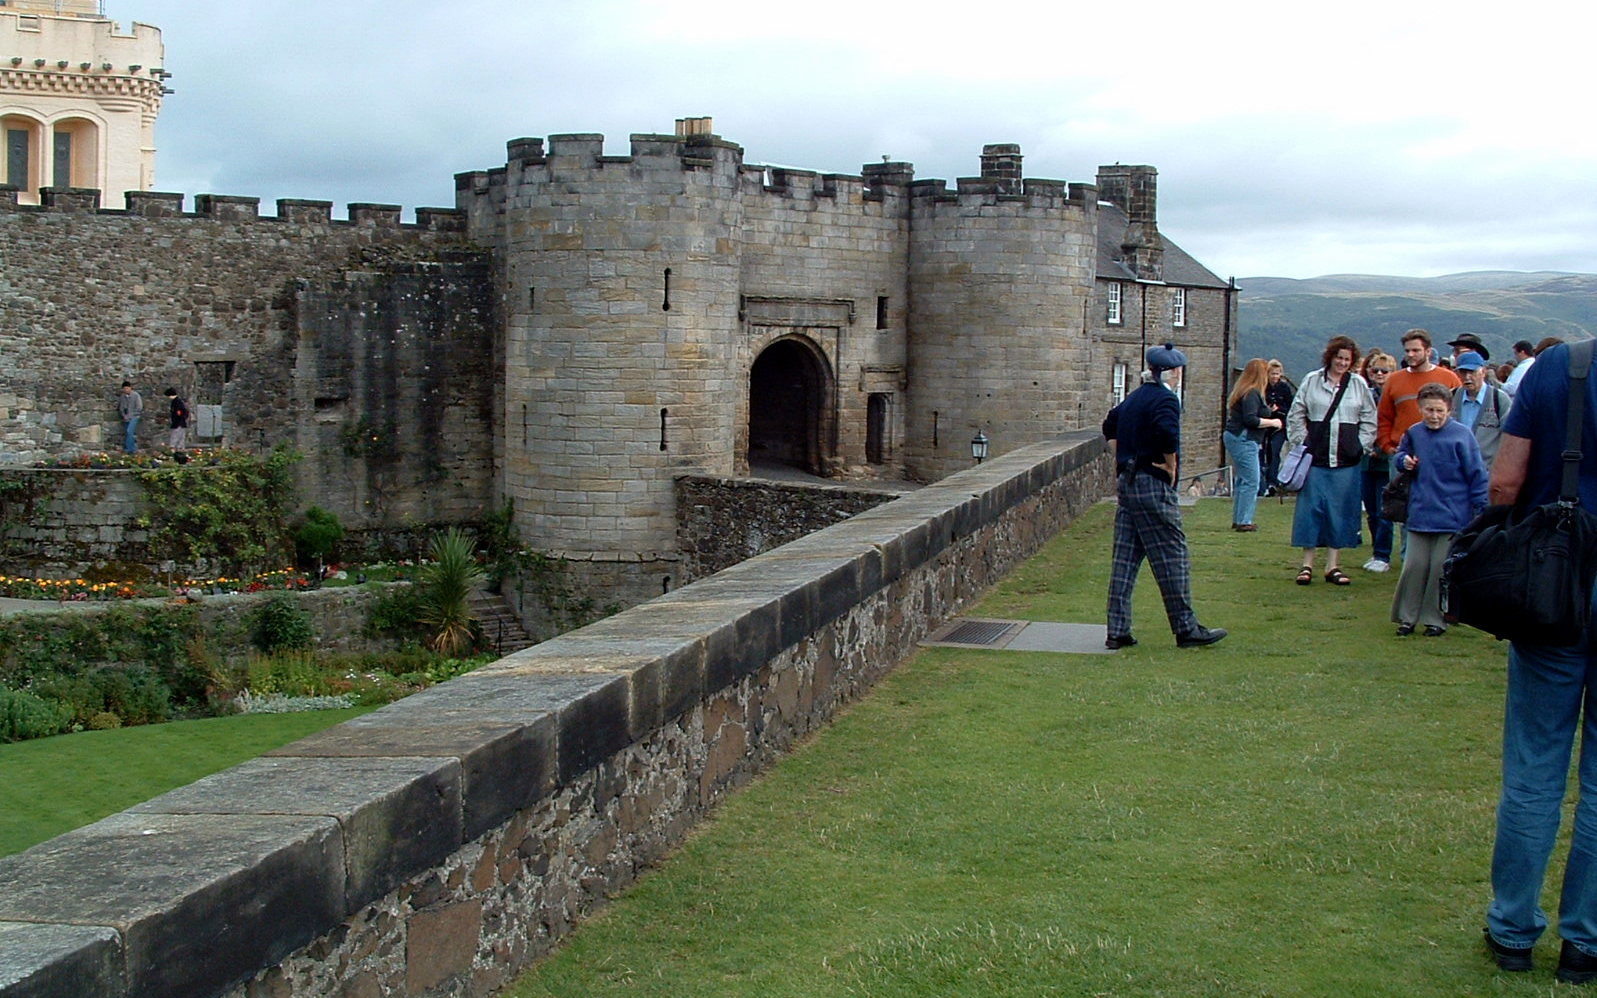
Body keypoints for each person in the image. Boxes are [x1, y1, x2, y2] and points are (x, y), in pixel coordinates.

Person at [1482, 340, 1597, 983]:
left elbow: (1505, 478)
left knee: (1533, 770)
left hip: (1556, 579)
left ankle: (1513, 933)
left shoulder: (1560, 367)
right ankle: (1585, 944)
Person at [1102, 343, 1227, 649]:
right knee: (1173, 554)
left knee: (1125, 561)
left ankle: (1117, 631)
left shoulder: (1133, 399)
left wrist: (1121, 457)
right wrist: (1170, 464)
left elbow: (1109, 424)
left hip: (1127, 485)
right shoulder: (1166, 400)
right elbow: (1167, 434)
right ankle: (1186, 628)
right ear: (1173, 372)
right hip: (1152, 485)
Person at [1389, 383, 1487, 637]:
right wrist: (1404, 461)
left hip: (1453, 516)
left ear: (1449, 410)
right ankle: (1406, 617)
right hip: (1420, 512)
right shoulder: (1414, 433)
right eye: (1429, 410)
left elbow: (1477, 475)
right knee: (1414, 567)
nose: (1434, 416)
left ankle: (1435, 619)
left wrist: (1482, 510)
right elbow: (1399, 456)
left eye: (1439, 410)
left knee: (1439, 571)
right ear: (1420, 409)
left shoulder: (1463, 436)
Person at [1287, 335, 1377, 585]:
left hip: (1346, 461)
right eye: (1339, 357)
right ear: (1330, 357)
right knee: (1311, 510)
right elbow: (1297, 412)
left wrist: (1361, 446)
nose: (1342, 363)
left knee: (1339, 512)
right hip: (1315, 458)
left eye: (1347, 359)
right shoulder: (1312, 380)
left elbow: (1370, 418)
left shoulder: (1358, 385)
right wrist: (1302, 441)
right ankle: (1306, 565)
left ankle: (1333, 566)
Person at [1223, 358, 1282, 531]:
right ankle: (1244, 521)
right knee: (1252, 480)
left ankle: (1239, 518)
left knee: (1243, 480)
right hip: (1245, 438)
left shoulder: (1244, 391)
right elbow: (1251, 419)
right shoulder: (1252, 393)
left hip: (1236, 436)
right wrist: (1273, 422)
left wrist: (1269, 411)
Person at [1359, 350, 1397, 572]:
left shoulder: (1393, 397)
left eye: (1385, 370)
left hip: (1385, 460)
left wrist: (1382, 450)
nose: (1380, 374)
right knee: (1371, 509)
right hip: (1366, 461)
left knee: (1384, 510)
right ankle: (1376, 549)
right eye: (1376, 370)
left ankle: (1383, 554)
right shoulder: (1367, 395)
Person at [1451, 352, 1511, 468]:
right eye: (1463, 372)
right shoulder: (1451, 397)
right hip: (1455, 471)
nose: (1467, 377)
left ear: (1483, 372)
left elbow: (1509, 437)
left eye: (1472, 372)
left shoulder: (1499, 399)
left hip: (1487, 471)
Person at [1260, 359, 1295, 495]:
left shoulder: (1284, 388)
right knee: (1263, 453)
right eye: (1272, 374)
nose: (1275, 377)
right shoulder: (1263, 387)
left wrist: (1278, 409)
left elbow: (1291, 407)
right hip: (1264, 425)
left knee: (1275, 452)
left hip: (1279, 426)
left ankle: (1272, 482)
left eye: (1277, 374)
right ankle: (1264, 483)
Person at [117, 380, 142, 453]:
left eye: (127, 388)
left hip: (134, 416)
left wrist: (131, 415)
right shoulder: (122, 397)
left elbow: (139, 407)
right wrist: (124, 415)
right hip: (126, 418)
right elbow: (121, 407)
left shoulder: (136, 395)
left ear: (130, 388)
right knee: (128, 433)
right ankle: (132, 449)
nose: (126, 390)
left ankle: (128, 449)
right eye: (124, 389)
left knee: (129, 431)